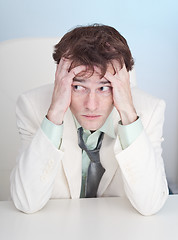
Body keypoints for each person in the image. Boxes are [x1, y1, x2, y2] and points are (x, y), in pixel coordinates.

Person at [10, 24, 168, 215]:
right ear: (61, 81)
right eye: (78, 87)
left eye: (103, 88)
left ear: (123, 84)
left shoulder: (150, 110)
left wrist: (128, 113)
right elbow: (26, 202)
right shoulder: (32, 106)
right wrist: (54, 115)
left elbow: (149, 205)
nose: (91, 105)